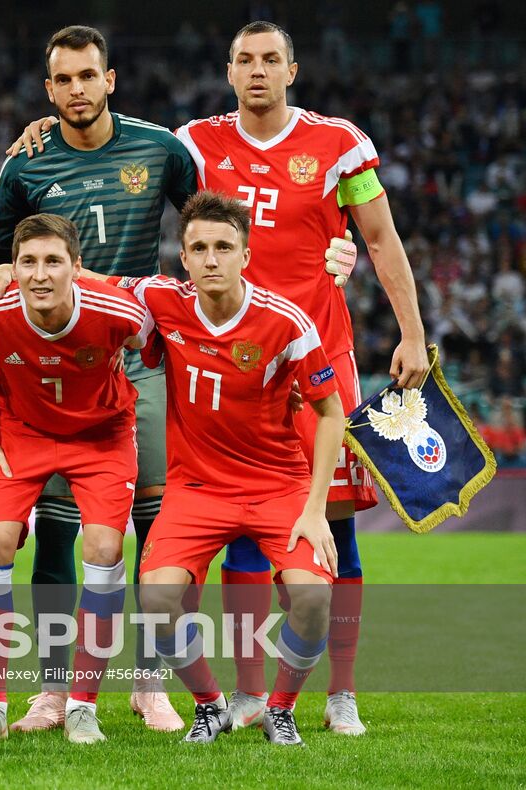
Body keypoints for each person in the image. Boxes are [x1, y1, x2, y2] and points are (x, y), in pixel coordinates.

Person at [173, 22, 428, 735]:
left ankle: (339, 692)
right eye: (245, 61)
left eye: (271, 61)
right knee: (246, 532)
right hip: (233, 370)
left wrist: (412, 331)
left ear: (293, 69)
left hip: (319, 363)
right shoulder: (195, 143)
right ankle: (250, 693)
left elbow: (379, 238)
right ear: (228, 71)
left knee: (336, 533)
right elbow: (119, 151)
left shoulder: (340, 144)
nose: (258, 71)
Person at [0, 25, 195, 733]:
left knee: (155, 524)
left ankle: (149, 682)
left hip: (137, 352)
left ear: (110, 79)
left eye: (88, 75)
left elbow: (206, 231)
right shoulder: (25, 165)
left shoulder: (160, 149)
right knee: (56, 530)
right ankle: (51, 691)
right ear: (49, 90)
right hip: (57, 366)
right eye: (63, 79)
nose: (76, 88)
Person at [119, 191, 343, 747]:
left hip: (278, 484)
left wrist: (316, 510)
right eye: (199, 247)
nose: (211, 258)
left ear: (246, 254)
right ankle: (211, 705)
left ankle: (282, 708)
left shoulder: (287, 322)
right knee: (156, 600)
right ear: (184, 258)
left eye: (224, 246)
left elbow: (331, 412)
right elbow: (82, 282)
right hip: (196, 487)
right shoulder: (158, 300)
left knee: (313, 599)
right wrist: (6, 267)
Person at [0, 213, 152, 744]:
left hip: (102, 436)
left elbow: (151, 344)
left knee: (104, 549)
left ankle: (82, 705)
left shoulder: (117, 311)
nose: (40, 274)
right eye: (28, 262)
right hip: (20, 434)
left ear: (77, 269)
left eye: (54, 261)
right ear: (11, 269)